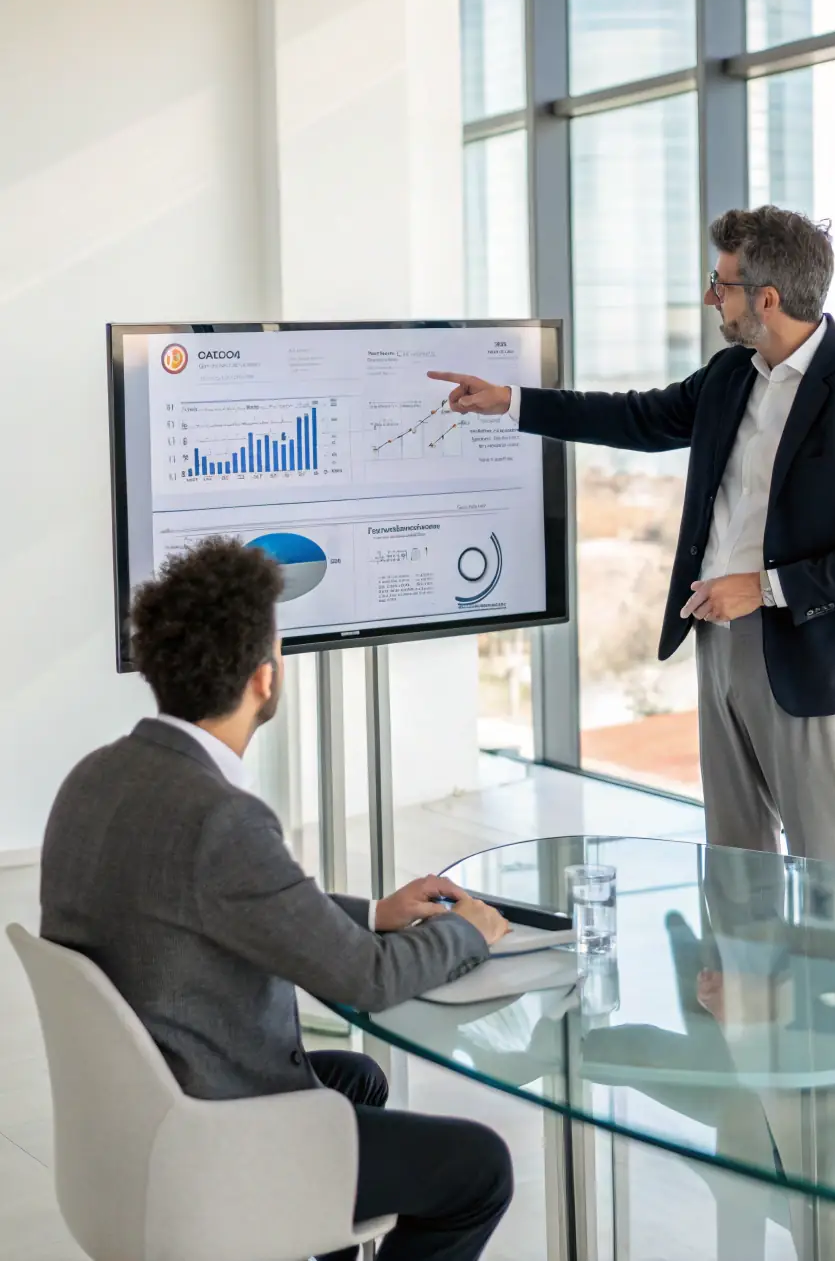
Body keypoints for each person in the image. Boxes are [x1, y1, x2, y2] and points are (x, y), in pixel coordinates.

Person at [40, 537, 513, 1261]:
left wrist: (375, 914)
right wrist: (470, 930)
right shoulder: (219, 816)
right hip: (214, 1141)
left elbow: (215, 903)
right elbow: (368, 979)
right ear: (265, 679)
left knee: (355, 1076)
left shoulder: (92, 778)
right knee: (478, 1168)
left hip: (137, 1117)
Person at [429, 205, 835, 865]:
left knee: (826, 869)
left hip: (808, 658)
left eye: (721, 284)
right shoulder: (730, 375)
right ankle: (742, 971)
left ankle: (830, 978)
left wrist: (765, 587)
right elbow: (636, 417)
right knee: (733, 851)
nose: (709, 298)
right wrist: (512, 402)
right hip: (714, 637)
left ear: (768, 298)